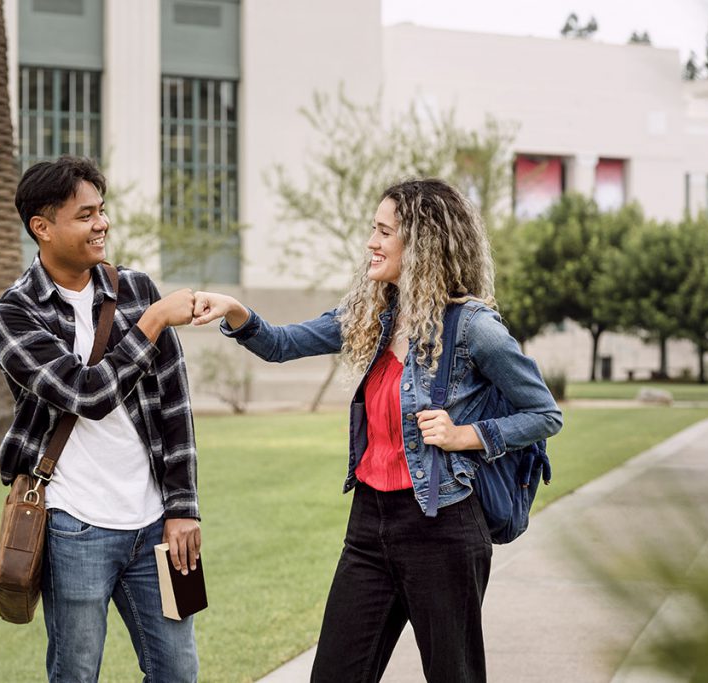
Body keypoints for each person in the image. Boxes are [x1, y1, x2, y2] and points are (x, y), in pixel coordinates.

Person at [192, 178, 563, 682]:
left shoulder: (473, 328)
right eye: (373, 229)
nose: (371, 241)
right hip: (369, 525)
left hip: (442, 525)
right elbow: (281, 344)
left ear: (422, 243)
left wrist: (466, 435)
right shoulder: (373, 316)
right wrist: (236, 311)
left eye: (384, 231)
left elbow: (544, 414)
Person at [0, 156, 201, 682]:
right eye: (85, 215)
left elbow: (174, 403)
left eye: (101, 211)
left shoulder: (135, 289)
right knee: (76, 674)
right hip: (72, 526)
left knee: (179, 672)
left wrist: (183, 507)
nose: (101, 224)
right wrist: (152, 322)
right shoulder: (14, 315)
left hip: (155, 523)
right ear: (42, 227)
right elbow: (87, 394)